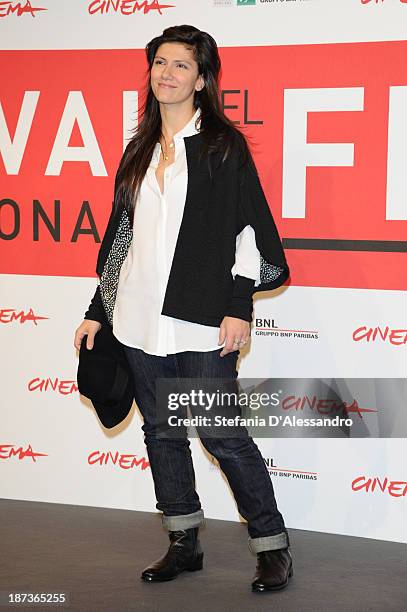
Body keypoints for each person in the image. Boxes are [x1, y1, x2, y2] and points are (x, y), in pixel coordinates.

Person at [74, 25, 293, 593]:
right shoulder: (140, 148)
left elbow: (247, 234)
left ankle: (271, 545)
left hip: (199, 319)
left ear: (202, 79)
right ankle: (182, 539)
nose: (166, 74)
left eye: (180, 66)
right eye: (160, 63)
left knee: (222, 436)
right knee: (163, 435)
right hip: (138, 319)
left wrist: (238, 306)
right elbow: (122, 237)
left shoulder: (222, 146)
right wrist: (98, 307)